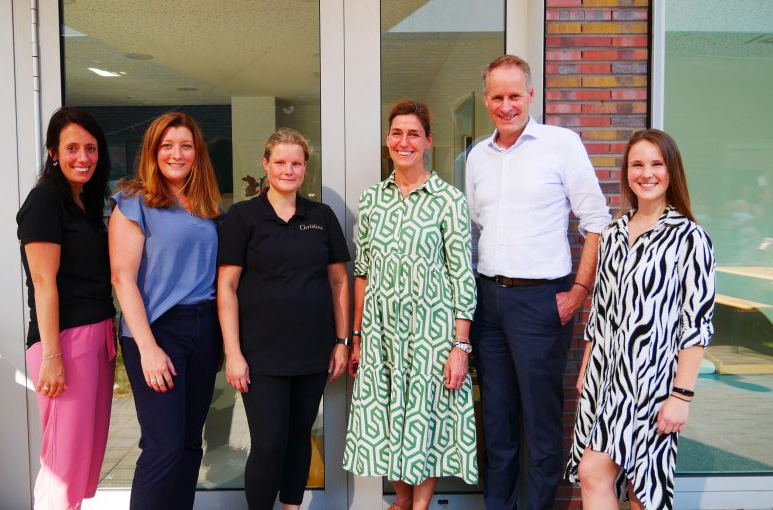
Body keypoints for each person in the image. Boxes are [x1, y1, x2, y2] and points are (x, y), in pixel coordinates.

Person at [465, 54, 611, 510]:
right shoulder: (476, 158)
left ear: (530, 95)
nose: (505, 105)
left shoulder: (560, 144)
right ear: (486, 99)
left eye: (514, 95)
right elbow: (475, 229)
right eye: (497, 97)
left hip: (542, 303)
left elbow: (596, 222)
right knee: (498, 420)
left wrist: (579, 293)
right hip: (488, 303)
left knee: (541, 422)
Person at [566, 129, 715, 510]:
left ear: (671, 171)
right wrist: (587, 366)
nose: (646, 174)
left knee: (629, 482)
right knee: (617, 481)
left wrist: (681, 396)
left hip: (653, 381)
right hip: (606, 376)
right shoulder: (614, 233)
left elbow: (696, 325)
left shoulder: (690, 238)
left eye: (656, 164)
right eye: (637, 164)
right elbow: (602, 308)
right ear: (627, 172)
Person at [343, 100, 478, 510]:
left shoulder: (448, 201)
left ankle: (419, 506)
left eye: (413, 134)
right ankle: (400, 502)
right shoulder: (372, 201)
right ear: (388, 140)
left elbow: (462, 276)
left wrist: (461, 346)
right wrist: (358, 336)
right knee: (388, 419)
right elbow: (362, 273)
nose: (404, 142)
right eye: (397, 133)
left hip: (431, 334)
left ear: (428, 142)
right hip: (382, 333)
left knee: (425, 420)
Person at [217, 128, 351, 510]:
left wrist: (342, 341)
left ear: (305, 168)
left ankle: (292, 506)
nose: (288, 170)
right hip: (260, 355)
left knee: (298, 437)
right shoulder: (243, 217)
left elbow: (339, 280)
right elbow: (226, 287)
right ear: (265, 164)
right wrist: (233, 352)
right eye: (280, 162)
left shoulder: (320, 216)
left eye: (296, 163)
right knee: (269, 442)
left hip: (312, 351)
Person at [108, 112, 222, 509]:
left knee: (191, 444)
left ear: (197, 153)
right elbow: (123, 280)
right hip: (157, 331)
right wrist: (148, 348)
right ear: (153, 152)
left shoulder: (207, 205)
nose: (177, 154)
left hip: (204, 328)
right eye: (167, 145)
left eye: (185, 146)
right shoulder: (133, 203)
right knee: (164, 446)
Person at [17, 107, 116, 510]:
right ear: (53, 152)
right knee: (62, 464)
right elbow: (43, 283)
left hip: (97, 337)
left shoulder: (86, 203)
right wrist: (53, 355)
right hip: (65, 343)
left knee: (83, 463)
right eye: (72, 148)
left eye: (90, 148)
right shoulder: (45, 201)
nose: (83, 157)